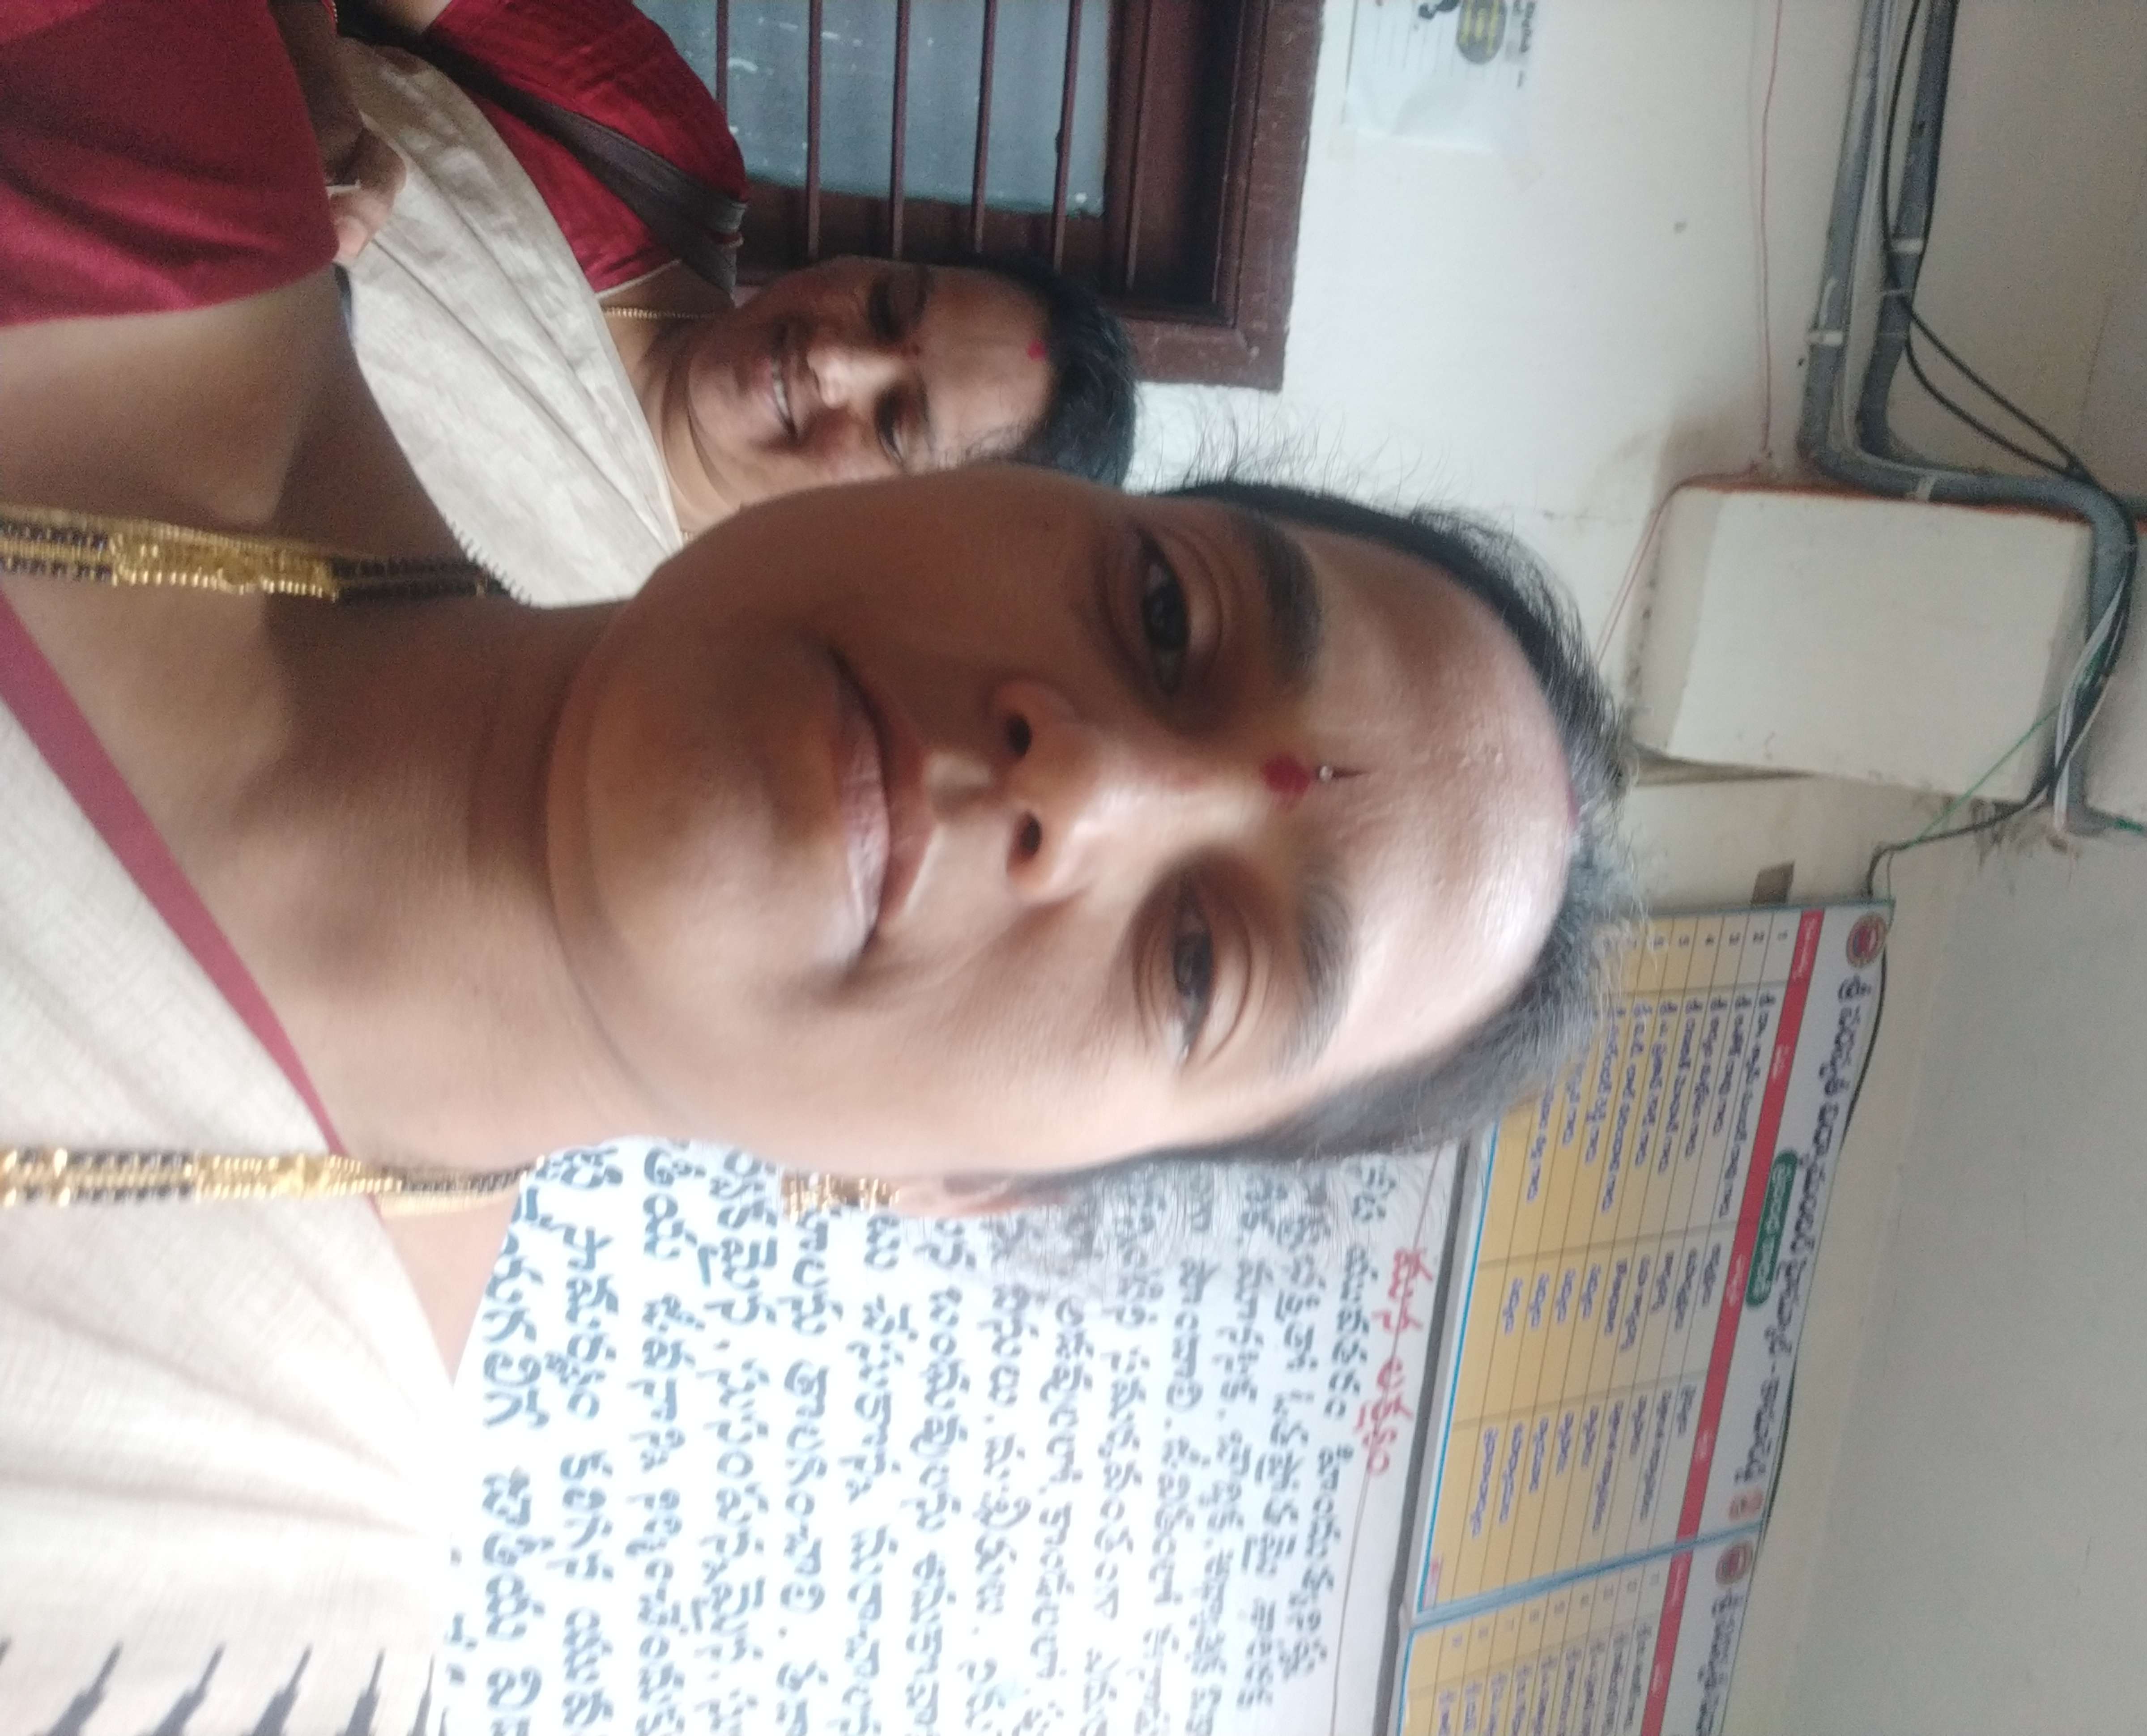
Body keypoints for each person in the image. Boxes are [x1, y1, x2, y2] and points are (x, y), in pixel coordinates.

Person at [0, 0, 1625, 1725]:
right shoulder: (143, 87)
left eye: (1197, 965)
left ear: (976, 1187)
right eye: (1166, 614)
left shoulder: (208, 1648)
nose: (1084, 779)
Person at [299, 0, 1138, 602]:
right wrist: (313, 101)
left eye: (895, 425)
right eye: (888, 305)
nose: (833, 359)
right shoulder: (654, 157)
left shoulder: (614, 680)